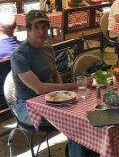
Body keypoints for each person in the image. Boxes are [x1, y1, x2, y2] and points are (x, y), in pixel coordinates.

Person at [10, 10, 93, 157]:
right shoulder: (19, 55)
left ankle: (86, 151)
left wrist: (63, 94)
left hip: (51, 99)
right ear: (28, 30)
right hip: (27, 105)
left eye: (44, 27)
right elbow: (39, 88)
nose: (42, 31)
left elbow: (55, 74)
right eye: (37, 27)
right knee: (73, 122)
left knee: (87, 110)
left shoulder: (47, 47)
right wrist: (77, 85)